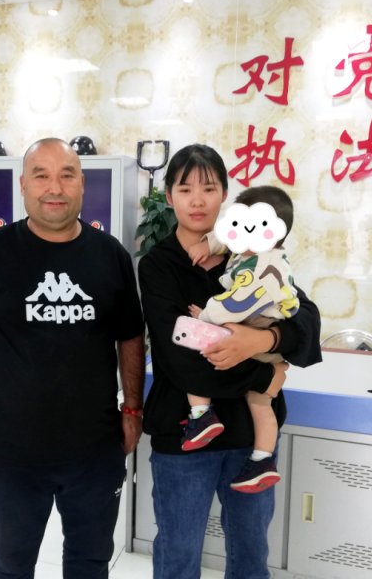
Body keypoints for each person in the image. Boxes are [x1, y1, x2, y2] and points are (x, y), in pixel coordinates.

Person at [0, 137, 145, 579]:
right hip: (13, 450)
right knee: (11, 563)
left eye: (66, 175)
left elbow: (131, 336)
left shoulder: (110, 254)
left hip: (95, 449)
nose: (55, 187)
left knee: (90, 562)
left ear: (82, 184)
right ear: (23, 185)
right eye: (41, 176)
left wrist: (132, 408)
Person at [138, 144, 322, 579]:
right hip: (184, 435)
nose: (197, 200)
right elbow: (181, 360)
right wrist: (266, 372)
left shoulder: (254, 252)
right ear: (169, 195)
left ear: (225, 195)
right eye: (185, 189)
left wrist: (262, 338)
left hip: (249, 438)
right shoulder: (159, 265)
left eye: (209, 188)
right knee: (178, 555)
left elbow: (306, 321)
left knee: (250, 555)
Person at [178, 186, 300, 493]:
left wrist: (205, 316)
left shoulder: (263, 268)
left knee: (196, 343)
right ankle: (262, 460)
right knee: (260, 401)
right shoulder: (251, 248)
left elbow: (234, 305)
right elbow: (227, 237)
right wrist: (208, 244)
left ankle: (202, 416)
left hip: (257, 325)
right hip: (262, 340)